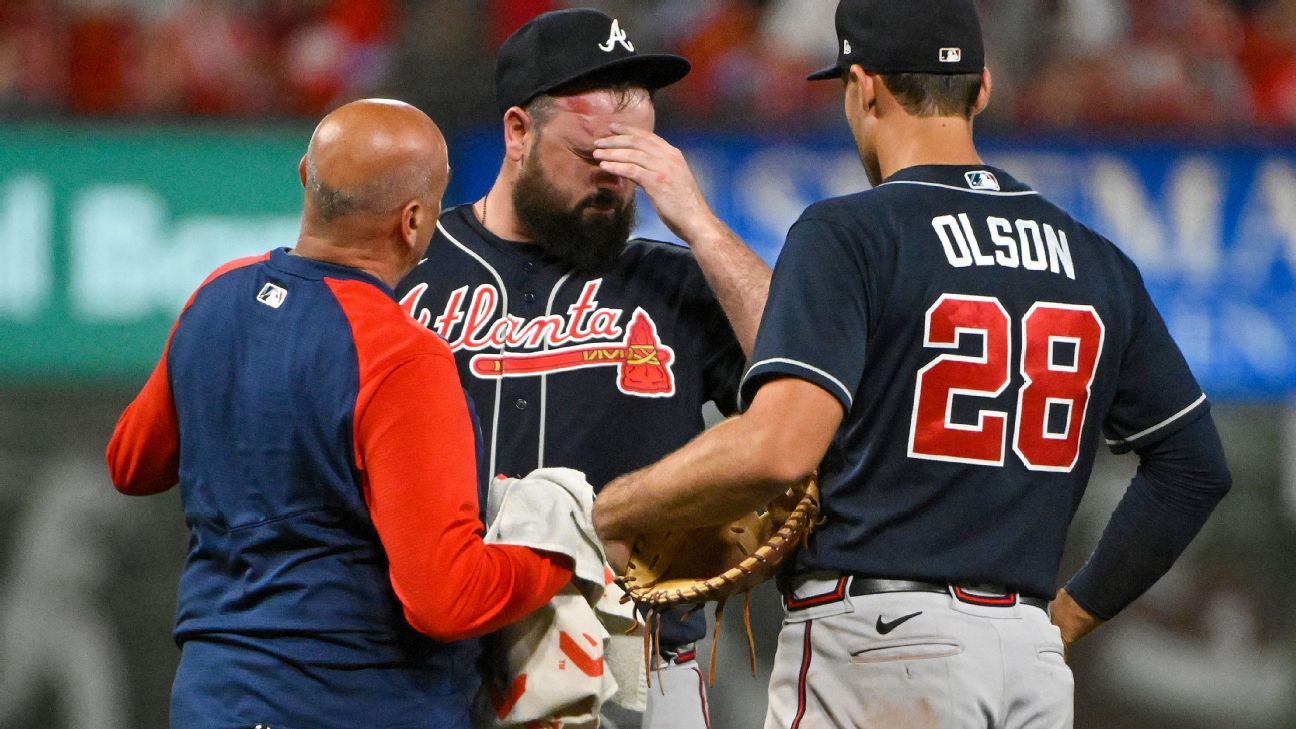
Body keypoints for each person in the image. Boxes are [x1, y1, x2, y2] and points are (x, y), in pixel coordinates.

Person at [592, 1, 1233, 727]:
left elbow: (777, 446)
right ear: (982, 90)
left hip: (881, 645)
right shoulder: (1095, 259)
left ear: (864, 86)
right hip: (1029, 660)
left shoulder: (851, 232)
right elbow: (1194, 465)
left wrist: (606, 510)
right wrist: (1069, 616)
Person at [106, 99, 574, 729]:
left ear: (306, 175)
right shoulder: (401, 355)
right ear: (413, 222)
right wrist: (565, 551)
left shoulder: (217, 295)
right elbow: (446, 599)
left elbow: (132, 463)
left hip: (213, 697)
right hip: (355, 701)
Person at [395, 9, 771, 728]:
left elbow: (808, 368)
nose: (615, 180)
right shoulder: (410, 273)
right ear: (517, 132)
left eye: (636, 159)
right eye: (593, 153)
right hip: (439, 666)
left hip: (639, 663)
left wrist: (696, 218)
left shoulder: (678, 280)